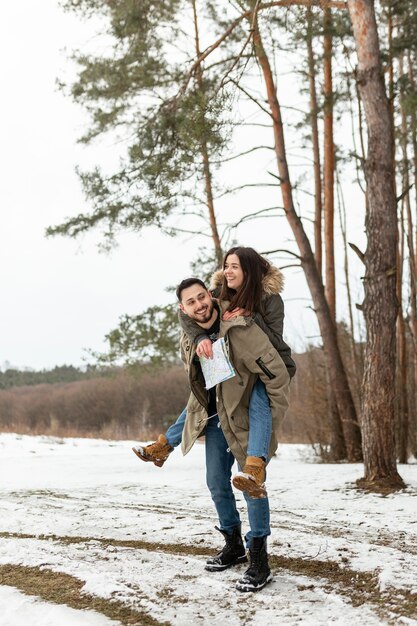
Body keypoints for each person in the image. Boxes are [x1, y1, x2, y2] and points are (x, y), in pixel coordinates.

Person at [136, 277, 291, 591]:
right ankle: (233, 545)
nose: (199, 304)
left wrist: (270, 412)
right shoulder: (188, 337)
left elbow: (273, 371)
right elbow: (199, 385)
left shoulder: (237, 324)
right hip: (217, 415)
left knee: (251, 484)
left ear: (212, 296)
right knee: (216, 483)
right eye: (191, 302)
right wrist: (197, 347)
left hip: (246, 414)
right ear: (184, 309)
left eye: (202, 297)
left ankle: (259, 558)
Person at [133, 247, 295, 498]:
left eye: (234, 267)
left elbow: (275, 340)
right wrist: (199, 336)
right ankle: (165, 446)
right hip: (235, 365)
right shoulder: (221, 293)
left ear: (249, 271)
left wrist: (251, 316)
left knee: (258, 400)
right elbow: (186, 313)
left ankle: (255, 465)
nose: (227, 271)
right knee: (200, 398)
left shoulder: (270, 299)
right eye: (226, 265)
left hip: (267, 368)